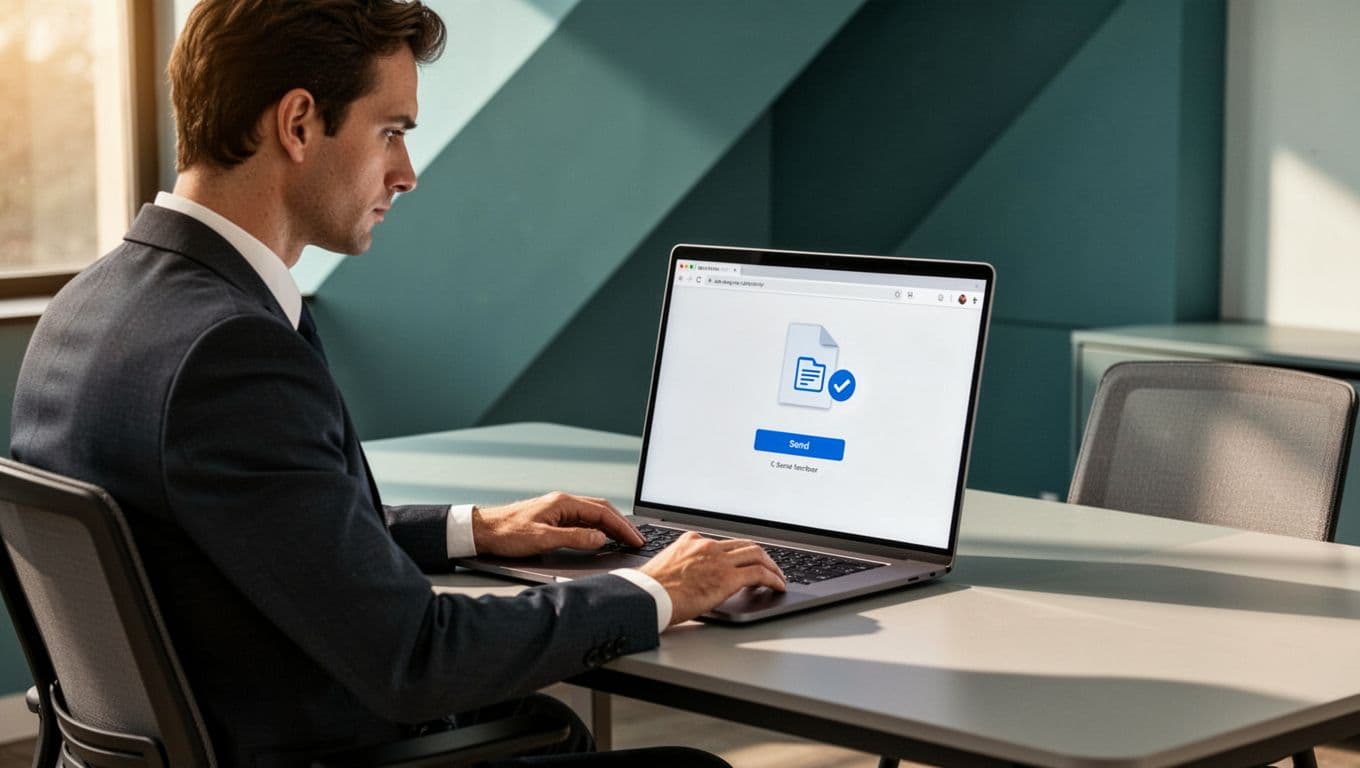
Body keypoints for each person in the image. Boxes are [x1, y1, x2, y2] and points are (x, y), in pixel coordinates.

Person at [9, 1, 785, 765]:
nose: (406, 174)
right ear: (299, 123)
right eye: (392, 132)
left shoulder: (93, 304)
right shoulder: (230, 349)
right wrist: (658, 591)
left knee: (542, 723)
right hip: (307, 743)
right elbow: (415, 657)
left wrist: (472, 530)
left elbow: (269, 528)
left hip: (200, 733)